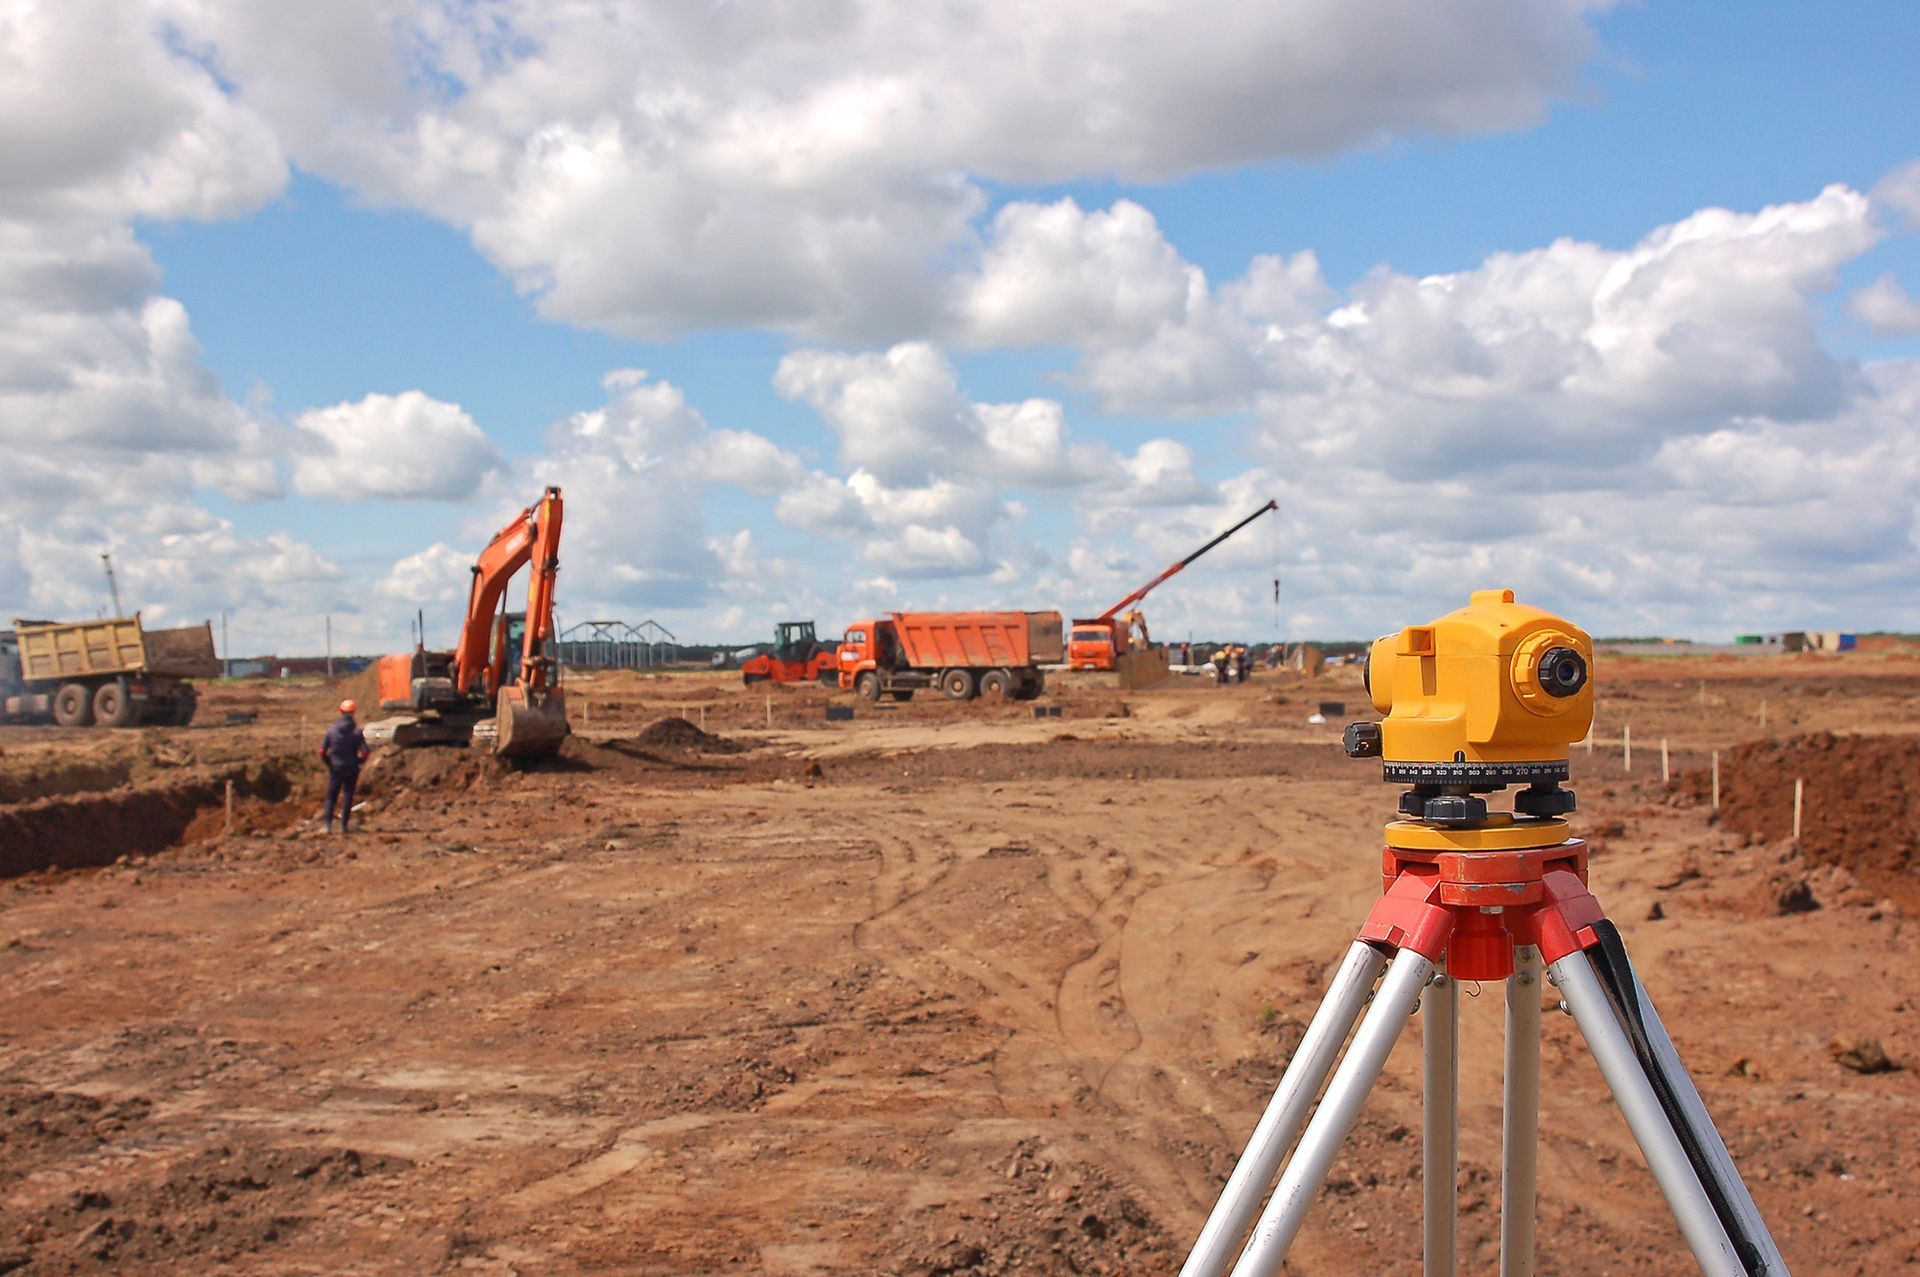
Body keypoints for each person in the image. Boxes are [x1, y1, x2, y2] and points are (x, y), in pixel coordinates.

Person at [319, 698, 370, 834]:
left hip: (336, 767)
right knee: (348, 796)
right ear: (353, 713)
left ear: (340, 712)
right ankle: (343, 827)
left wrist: (329, 763)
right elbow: (365, 752)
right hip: (351, 768)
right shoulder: (356, 732)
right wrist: (358, 761)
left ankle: (327, 826)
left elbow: (322, 751)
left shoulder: (332, 730)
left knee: (331, 796)